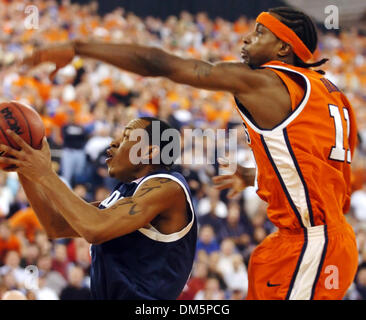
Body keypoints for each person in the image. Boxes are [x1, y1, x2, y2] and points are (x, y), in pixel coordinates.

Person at [20, 7, 357, 300]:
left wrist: (79, 47)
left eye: (259, 33)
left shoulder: (268, 84)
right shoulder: (329, 95)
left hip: (313, 243)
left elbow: (161, 63)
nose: (245, 39)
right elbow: (325, 169)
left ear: (284, 47)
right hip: (301, 242)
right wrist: (258, 175)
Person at [0, 117, 197, 300]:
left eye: (127, 137)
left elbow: (95, 229)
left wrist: (45, 172)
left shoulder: (167, 187)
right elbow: (56, 225)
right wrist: (23, 166)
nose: (113, 143)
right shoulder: (128, 190)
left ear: (149, 152)